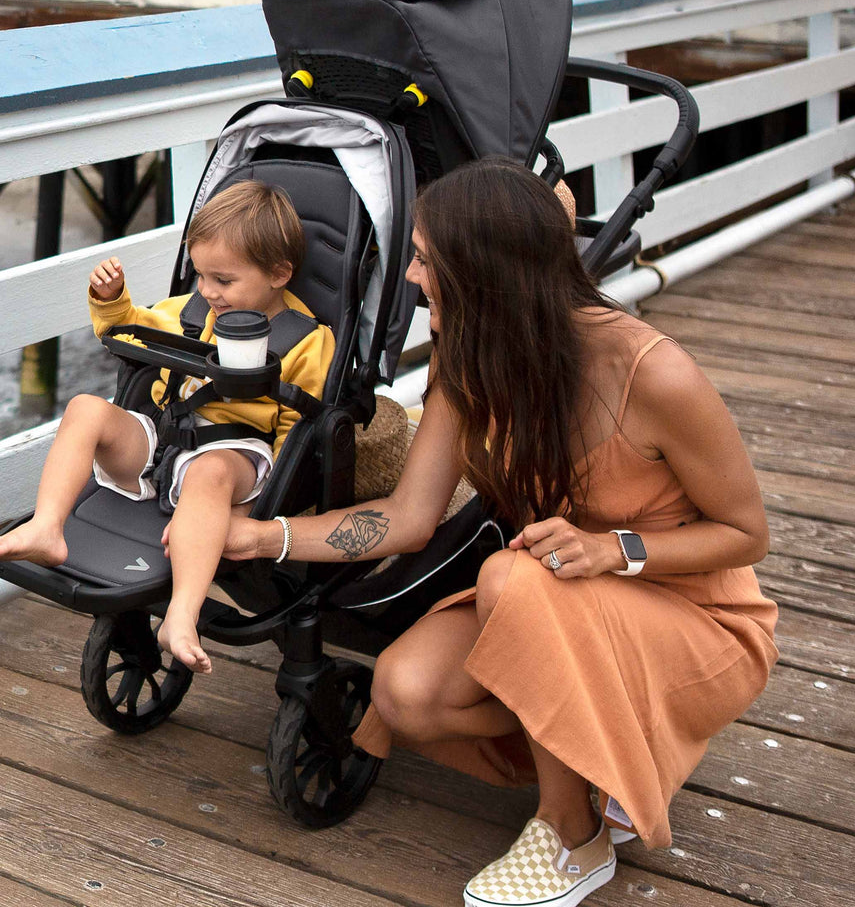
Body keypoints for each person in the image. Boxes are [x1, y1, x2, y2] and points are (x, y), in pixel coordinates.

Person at [215, 157, 778, 907]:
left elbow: (745, 534)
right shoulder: (471, 360)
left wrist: (614, 549)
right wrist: (266, 537)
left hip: (689, 611)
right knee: (405, 691)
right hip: (553, 596)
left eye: (423, 259)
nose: (411, 279)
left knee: (510, 576)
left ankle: (572, 833)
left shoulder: (652, 373)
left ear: (486, 274)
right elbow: (409, 518)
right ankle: (605, 739)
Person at [0, 180, 335, 676]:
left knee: (209, 472)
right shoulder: (192, 311)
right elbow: (126, 329)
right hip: (164, 440)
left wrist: (255, 507)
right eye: (201, 276)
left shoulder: (307, 342)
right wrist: (110, 299)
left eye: (224, 280)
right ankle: (47, 526)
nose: (209, 291)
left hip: (234, 457)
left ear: (279, 274)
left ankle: (182, 614)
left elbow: (297, 434)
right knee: (87, 406)